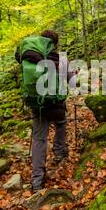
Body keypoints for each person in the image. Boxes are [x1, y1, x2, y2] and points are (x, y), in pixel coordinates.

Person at [15, 30, 75, 192]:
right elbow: (73, 82)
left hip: (37, 105)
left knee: (39, 139)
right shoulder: (62, 59)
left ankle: (37, 181)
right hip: (56, 104)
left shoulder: (32, 58)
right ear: (55, 44)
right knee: (61, 123)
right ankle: (59, 152)